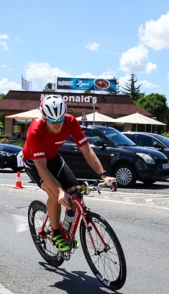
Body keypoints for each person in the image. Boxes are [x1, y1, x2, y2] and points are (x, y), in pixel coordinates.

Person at [22, 95, 118, 253]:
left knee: (75, 193)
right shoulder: (35, 131)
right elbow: (41, 168)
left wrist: (103, 174)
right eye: (52, 121)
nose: (57, 124)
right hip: (34, 162)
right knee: (55, 193)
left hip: (53, 159)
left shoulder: (71, 122)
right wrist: (59, 191)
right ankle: (56, 233)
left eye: (60, 119)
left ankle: (66, 229)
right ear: (44, 118)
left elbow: (87, 150)